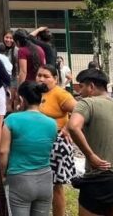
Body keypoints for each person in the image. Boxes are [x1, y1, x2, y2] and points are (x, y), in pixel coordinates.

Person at [67, 68, 113, 216]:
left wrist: (90, 155)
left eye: (81, 86)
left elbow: (73, 127)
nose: (79, 92)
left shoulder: (86, 103)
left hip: (99, 178)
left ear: (91, 86)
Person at [0, 81, 57, 216]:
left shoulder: (12, 119)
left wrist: (3, 173)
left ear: (21, 99)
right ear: (41, 99)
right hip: (45, 179)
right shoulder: (52, 123)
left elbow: (3, 151)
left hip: (19, 179)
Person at [36, 64, 78, 216]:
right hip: (37, 143)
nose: (41, 79)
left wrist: (67, 128)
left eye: (46, 76)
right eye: (39, 75)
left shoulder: (61, 94)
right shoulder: (36, 93)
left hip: (56, 145)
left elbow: (80, 111)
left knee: (56, 186)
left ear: (55, 79)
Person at [3, 31, 19, 112]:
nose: (8, 40)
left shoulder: (16, 51)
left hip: (13, 79)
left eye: (11, 38)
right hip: (2, 80)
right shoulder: (0, 49)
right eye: (7, 37)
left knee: (11, 100)